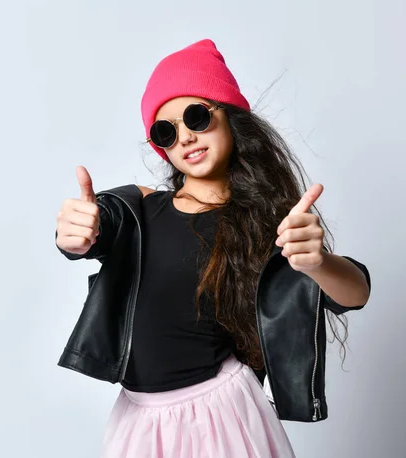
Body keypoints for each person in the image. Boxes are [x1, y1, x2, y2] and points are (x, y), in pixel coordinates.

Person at [54, 39, 371, 458]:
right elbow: (95, 227)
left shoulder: (262, 223)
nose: (185, 137)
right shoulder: (138, 209)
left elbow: (355, 293)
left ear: (230, 119)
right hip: (138, 419)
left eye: (197, 116)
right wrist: (74, 235)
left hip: (222, 416)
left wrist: (317, 262)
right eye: (166, 131)